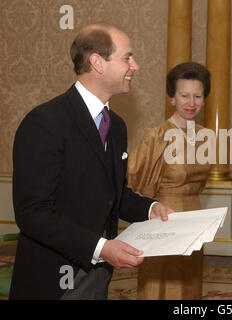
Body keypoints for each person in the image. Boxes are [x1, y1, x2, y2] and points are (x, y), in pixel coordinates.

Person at [10, 23, 173, 300]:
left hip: (97, 274)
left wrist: (152, 209)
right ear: (98, 62)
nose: (135, 66)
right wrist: (100, 248)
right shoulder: (46, 122)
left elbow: (114, 196)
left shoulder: (117, 126)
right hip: (52, 277)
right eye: (127, 57)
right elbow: (32, 213)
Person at [127, 61, 212, 300]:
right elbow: (135, 181)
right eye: (184, 95)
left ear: (204, 99)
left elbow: (200, 185)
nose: (191, 103)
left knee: (189, 285)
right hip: (163, 220)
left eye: (198, 95)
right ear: (172, 98)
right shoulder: (156, 136)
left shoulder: (208, 137)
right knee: (160, 285)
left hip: (193, 220)